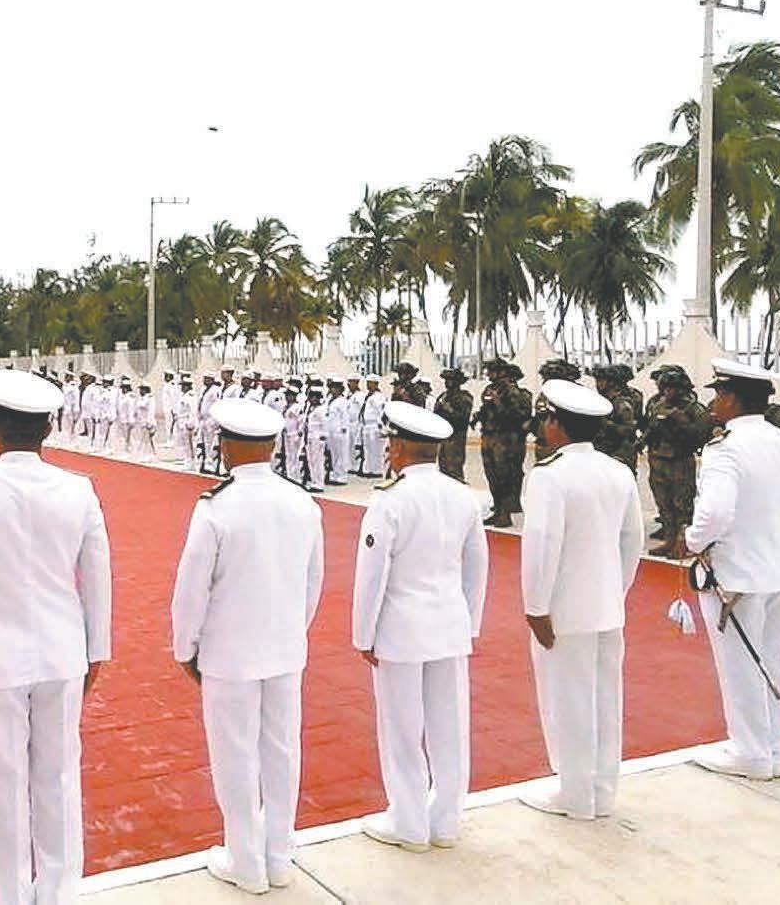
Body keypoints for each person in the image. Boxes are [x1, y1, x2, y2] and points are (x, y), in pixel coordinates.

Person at [0, 370, 111, 904]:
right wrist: (95, 651)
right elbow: (97, 577)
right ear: (48, 429)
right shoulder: (78, 490)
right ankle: (58, 894)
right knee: (59, 779)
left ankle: (8, 895)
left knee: (0, 787)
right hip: (62, 654)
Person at [170, 398, 323, 893]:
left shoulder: (217, 506)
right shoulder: (302, 503)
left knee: (235, 754)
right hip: (285, 648)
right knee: (283, 751)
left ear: (226, 446)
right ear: (274, 446)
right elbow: (312, 583)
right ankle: (278, 856)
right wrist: (292, 631)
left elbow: (192, 589)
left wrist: (186, 647)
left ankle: (246, 862)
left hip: (229, 653)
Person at [352, 402, 489, 852]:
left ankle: (409, 825)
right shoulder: (462, 496)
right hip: (449, 625)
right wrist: (469, 621)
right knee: (450, 727)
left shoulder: (390, 500)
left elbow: (372, 575)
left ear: (400, 447)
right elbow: (477, 565)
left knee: (402, 730)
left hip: (401, 630)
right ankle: (445, 822)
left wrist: (363, 635)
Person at [516, 380, 645, 820]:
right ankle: (602, 793)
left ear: (556, 423)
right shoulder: (618, 471)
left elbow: (541, 545)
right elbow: (633, 540)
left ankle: (574, 795)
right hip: (607, 607)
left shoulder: (549, 476)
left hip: (564, 611)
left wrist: (536, 607)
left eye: (546, 418)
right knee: (607, 701)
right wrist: (615, 590)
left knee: (568, 702)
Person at [679, 361, 780, 781]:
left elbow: (715, 512)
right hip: (777, 569)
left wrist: (693, 540)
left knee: (740, 666)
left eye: (718, 394)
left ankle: (750, 753)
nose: (714, 402)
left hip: (735, 574)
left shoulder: (726, 448)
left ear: (731, 398)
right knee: (772, 661)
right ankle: (772, 747)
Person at [642, 365, 711, 555]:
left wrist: (681, 422)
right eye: (665, 388)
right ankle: (669, 538)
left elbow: (701, 436)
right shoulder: (659, 404)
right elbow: (651, 427)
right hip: (658, 459)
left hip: (680, 461)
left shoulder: (695, 409)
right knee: (664, 503)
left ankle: (684, 542)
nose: (667, 392)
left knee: (682, 505)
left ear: (682, 389)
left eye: (672, 388)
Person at [475, 359, 531, 527]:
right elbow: (486, 409)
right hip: (488, 436)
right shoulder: (489, 389)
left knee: (504, 476)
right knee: (491, 474)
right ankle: (498, 509)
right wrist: (479, 416)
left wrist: (498, 402)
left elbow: (517, 416)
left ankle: (505, 513)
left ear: (501, 372)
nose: (488, 374)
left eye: (492, 371)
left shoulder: (512, 392)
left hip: (504, 439)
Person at [589, 364, 642, 471]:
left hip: (620, 454)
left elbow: (628, 429)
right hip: (604, 451)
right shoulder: (602, 400)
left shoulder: (621, 403)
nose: (597, 385)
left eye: (601, 381)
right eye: (597, 381)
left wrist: (604, 423)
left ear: (611, 382)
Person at [432, 368, 474, 483]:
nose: (447, 382)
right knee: (443, 468)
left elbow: (462, 418)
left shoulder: (464, 397)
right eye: (446, 380)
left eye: (450, 380)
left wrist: (448, 409)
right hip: (443, 436)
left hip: (456, 437)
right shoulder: (443, 395)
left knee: (454, 469)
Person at [355, 381, 387, 478]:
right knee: (368, 449)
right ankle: (368, 469)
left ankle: (377, 470)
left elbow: (381, 411)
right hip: (366, 425)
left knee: (376, 449)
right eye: (367, 383)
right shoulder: (368, 396)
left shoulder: (379, 397)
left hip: (375, 425)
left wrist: (381, 425)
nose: (368, 385)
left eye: (371, 383)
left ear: (376, 384)